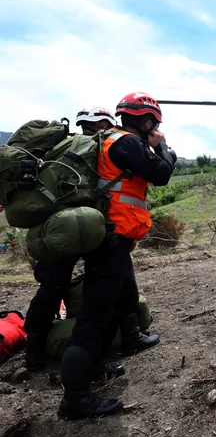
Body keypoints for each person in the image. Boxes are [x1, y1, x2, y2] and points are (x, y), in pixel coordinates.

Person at [57, 93, 175, 420]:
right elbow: (162, 173)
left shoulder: (109, 142)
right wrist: (163, 145)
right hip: (111, 239)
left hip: (113, 238)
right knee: (94, 318)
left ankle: (114, 351)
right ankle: (75, 399)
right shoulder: (125, 143)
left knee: (123, 293)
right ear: (147, 121)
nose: (156, 127)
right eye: (155, 123)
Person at [23, 107, 162, 373]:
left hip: (71, 224)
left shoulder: (70, 149)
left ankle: (37, 351)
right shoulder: (104, 147)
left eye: (98, 126)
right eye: (93, 126)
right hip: (80, 226)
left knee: (64, 285)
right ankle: (55, 354)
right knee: (91, 287)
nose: (97, 131)